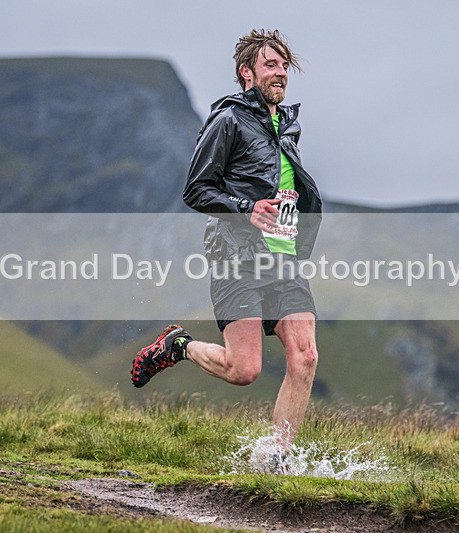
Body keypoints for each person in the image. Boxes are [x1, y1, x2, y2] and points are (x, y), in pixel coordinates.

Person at [131, 29, 322, 448]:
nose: (281, 73)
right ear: (247, 72)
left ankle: (277, 457)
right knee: (243, 369)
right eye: (271, 65)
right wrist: (246, 208)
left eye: (285, 66)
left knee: (305, 357)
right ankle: (177, 346)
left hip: (283, 259)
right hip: (236, 257)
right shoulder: (227, 120)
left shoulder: (288, 126)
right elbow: (197, 190)